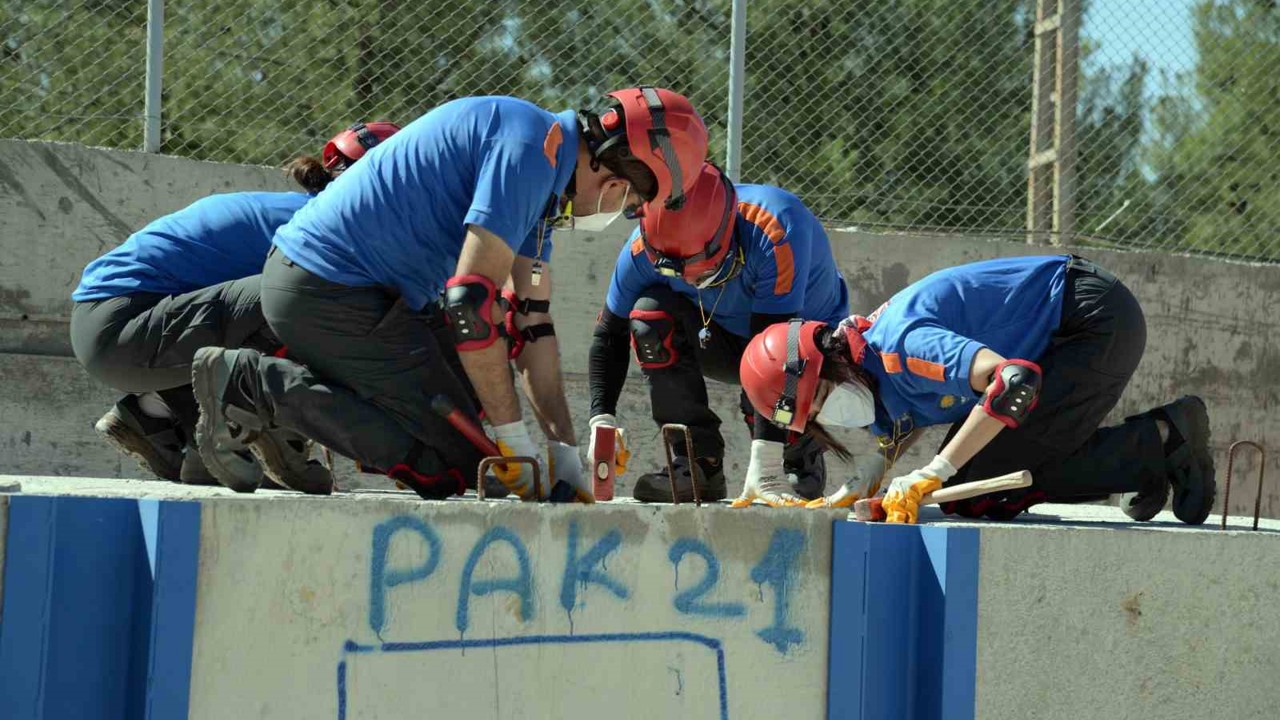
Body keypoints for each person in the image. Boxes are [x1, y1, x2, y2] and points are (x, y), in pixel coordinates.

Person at [189, 88, 710, 503]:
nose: (623, 209)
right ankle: (255, 387)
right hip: (328, 289)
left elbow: (531, 327)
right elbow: (470, 306)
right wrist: (515, 445)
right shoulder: (530, 150)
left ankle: (286, 396)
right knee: (463, 464)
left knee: (479, 414)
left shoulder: (542, 165)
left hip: (343, 289)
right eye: (635, 197)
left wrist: (564, 453)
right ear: (624, 170)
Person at [738, 254, 1216, 524]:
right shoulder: (868, 368)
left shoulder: (899, 346)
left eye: (820, 396)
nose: (829, 413)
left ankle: (1162, 441)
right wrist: (875, 468)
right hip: (1060, 335)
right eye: (816, 416)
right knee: (968, 486)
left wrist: (936, 470)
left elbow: (1014, 383)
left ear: (831, 359)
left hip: (1089, 320)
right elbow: (913, 413)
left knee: (969, 490)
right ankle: (1141, 460)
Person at [70, 121, 399, 489]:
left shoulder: (294, 212)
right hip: (123, 328)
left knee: (297, 306)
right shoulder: (318, 229)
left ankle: (153, 417)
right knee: (309, 299)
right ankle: (261, 440)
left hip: (120, 327)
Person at [587, 162, 849, 505]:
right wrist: (600, 420)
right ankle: (697, 462)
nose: (691, 282)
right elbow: (609, 335)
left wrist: (765, 463)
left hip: (802, 344)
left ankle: (793, 453)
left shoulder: (776, 227)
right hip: (719, 335)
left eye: (703, 272)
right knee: (648, 313)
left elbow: (776, 343)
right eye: (676, 272)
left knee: (775, 354)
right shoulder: (641, 249)